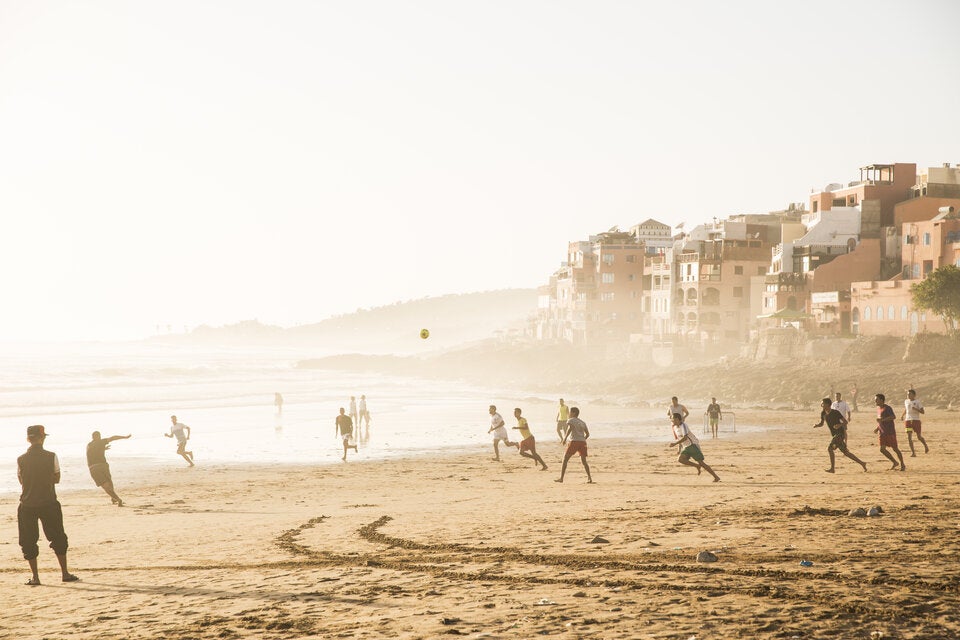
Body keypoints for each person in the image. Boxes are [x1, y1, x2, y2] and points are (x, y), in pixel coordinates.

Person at [17, 425, 79, 586]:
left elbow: (21, 480)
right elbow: (57, 478)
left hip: (27, 504)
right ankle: (65, 573)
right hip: (48, 502)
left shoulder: (21, 459)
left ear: (28, 439)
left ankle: (36, 577)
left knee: (28, 541)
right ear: (42, 438)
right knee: (58, 537)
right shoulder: (51, 456)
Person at [813, 398, 867, 473]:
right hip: (834, 435)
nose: (821, 405)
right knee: (846, 453)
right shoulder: (823, 413)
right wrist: (817, 425)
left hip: (840, 434)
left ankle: (832, 469)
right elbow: (822, 423)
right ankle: (862, 463)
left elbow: (845, 422)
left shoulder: (835, 412)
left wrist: (839, 425)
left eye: (823, 404)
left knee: (830, 449)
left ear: (828, 404)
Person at [668, 414, 720, 482]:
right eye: (672, 419)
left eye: (673, 419)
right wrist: (679, 449)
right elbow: (679, 439)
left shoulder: (683, 425)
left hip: (692, 445)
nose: (672, 421)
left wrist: (675, 444)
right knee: (680, 459)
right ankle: (696, 466)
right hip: (686, 447)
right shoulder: (674, 428)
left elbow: (685, 437)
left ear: (677, 419)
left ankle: (716, 477)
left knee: (701, 463)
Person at [86, 431, 131, 506]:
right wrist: (124, 437)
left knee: (105, 485)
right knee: (109, 482)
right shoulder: (101, 442)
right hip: (103, 465)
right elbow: (113, 437)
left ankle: (116, 499)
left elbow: (91, 453)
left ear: (92, 437)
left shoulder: (89, 445)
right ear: (99, 436)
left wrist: (103, 449)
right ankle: (115, 499)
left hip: (93, 467)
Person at [555, 406, 593, 483]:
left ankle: (561, 478)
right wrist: (582, 439)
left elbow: (570, 428)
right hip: (582, 442)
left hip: (574, 442)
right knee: (584, 461)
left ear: (574, 413)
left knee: (565, 459)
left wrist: (565, 438)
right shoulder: (582, 422)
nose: (569, 413)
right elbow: (588, 434)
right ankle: (589, 478)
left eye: (570, 412)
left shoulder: (571, 420)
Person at [874, 393, 905, 471]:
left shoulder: (887, 408)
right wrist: (877, 428)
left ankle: (902, 464)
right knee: (882, 449)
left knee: (895, 449)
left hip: (889, 432)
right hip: (882, 432)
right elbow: (880, 420)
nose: (875, 401)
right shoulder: (878, 409)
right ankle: (894, 462)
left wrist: (882, 420)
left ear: (881, 400)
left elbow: (893, 417)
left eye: (876, 400)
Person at [900, 389, 929, 457]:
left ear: (914, 395)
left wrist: (916, 409)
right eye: (907, 394)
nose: (908, 395)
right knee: (909, 437)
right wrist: (902, 415)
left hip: (916, 420)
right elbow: (906, 409)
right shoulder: (906, 401)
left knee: (919, 437)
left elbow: (923, 412)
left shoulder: (917, 402)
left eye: (909, 394)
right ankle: (913, 453)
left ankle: (925, 445)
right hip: (908, 421)